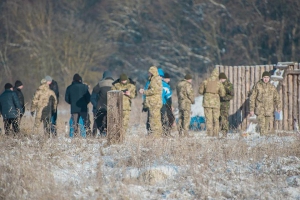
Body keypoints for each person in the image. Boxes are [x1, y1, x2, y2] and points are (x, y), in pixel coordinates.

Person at [249, 71, 281, 135]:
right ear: (262, 78)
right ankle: (263, 139)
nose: (266, 79)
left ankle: (264, 141)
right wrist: (251, 109)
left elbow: (277, 98)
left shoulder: (272, 87)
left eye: (267, 77)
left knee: (266, 127)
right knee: (262, 127)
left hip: (269, 110)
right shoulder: (257, 85)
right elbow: (252, 98)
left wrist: (278, 107)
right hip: (260, 109)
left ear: (269, 78)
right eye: (264, 77)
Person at [199, 68, 226, 137]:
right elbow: (223, 94)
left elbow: (200, 91)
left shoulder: (205, 81)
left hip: (207, 102)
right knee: (216, 119)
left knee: (208, 119)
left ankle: (209, 134)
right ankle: (216, 134)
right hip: (216, 103)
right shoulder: (219, 83)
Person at [139, 66, 163, 137]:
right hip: (155, 102)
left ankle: (155, 135)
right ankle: (158, 135)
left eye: (150, 72)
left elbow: (154, 90)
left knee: (153, 119)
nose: (148, 73)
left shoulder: (154, 80)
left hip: (154, 102)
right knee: (156, 119)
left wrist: (144, 92)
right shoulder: (156, 79)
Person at [90, 70, 114, 136]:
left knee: (99, 121)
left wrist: (96, 105)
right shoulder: (115, 85)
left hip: (100, 107)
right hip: (111, 107)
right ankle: (109, 134)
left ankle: (102, 132)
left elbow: (92, 98)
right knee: (110, 121)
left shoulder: (100, 84)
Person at [158, 69, 173, 136]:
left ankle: (166, 132)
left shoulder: (166, 85)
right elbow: (168, 96)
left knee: (168, 118)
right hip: (164, 104)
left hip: (164, 104)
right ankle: (165, 133)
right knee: (164, 118)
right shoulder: (164, 85)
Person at [219, 73, 234, 137]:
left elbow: (231, 95)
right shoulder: (218, 84)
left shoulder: (229, 85)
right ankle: (218, 131)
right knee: (218, 118)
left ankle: (224, 132)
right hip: (217, 103)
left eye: (222, 79)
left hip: (225, 104)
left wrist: (224, 98)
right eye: (220, 79)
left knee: (224, 118)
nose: (221, 80)